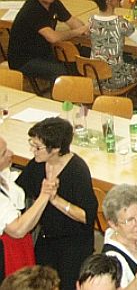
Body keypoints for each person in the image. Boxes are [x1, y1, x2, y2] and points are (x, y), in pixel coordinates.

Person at [16, 118, 97, 290]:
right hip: (47, 237)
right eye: (32, 144)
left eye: (37, 147)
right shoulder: (37, 165)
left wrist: (55, 200)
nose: (32, 150)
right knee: (38, 282)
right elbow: (19, 190)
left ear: (56, 149)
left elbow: (86, 216)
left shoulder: (77, 171)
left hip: (73, 242)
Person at [88, 0, 137, 118]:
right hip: (115, 78)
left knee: (127, 58)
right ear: (108, 1)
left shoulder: (91, 20)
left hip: (95, 77)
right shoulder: (120, 23)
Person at [7, 0, 88, 83]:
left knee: (82, 54)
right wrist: (77, 32)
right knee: (62, 71)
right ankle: (64, 91)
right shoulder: (32, 9)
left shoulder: (54, 3)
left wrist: (86, 29)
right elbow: (53, 38)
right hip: (24, 60)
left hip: (43, 52)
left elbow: (71, 21)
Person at [0, 136, 55, 277]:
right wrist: (45, 194)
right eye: (4, 153)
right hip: (7, 251)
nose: (11, 153)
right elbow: (17, 230)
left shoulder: (4, 174)